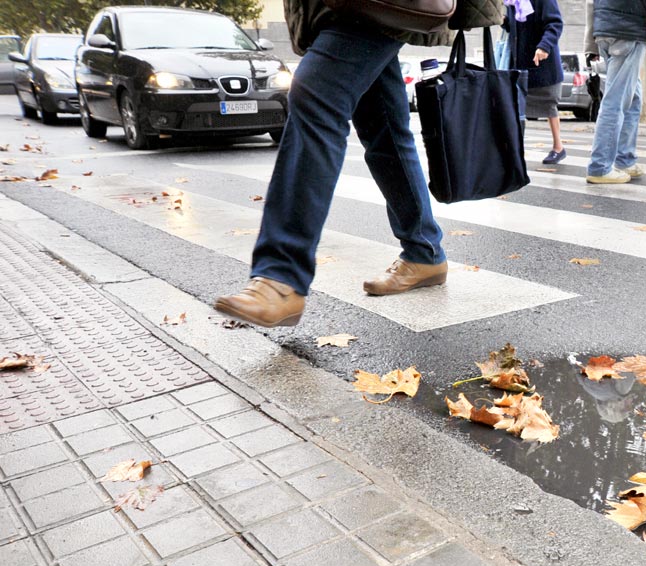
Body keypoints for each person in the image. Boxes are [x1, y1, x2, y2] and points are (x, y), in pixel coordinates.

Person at [214, 2, 503, 328]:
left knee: (315, 94)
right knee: (384, 129)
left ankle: (280, 278)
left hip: (370, 6)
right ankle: (424, 252)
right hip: (352, 8)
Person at [583, 0, 646, 184]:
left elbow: (590, 3)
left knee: (633, 98)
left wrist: (591, 44)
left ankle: (624, 159)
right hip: (628, 33)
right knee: (615, 101)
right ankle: (600, 167)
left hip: (604, 31)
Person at [506, 0, 566, 164]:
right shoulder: (512, 1)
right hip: (520, 63)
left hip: (543, 63)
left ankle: (558, 147)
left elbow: (555, 22)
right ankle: (516, 150)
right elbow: (512, 27)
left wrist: (545, 46)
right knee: (515, 108)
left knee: (549, 104)